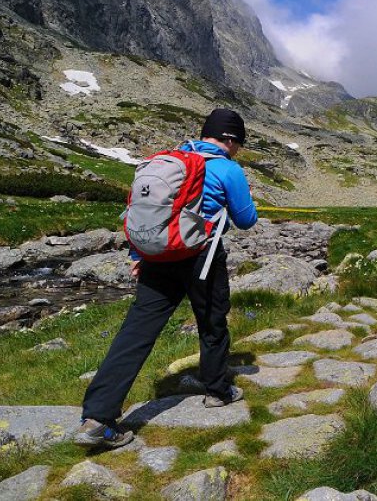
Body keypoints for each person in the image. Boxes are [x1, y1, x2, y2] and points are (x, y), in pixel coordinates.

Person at [75, 108, 258, 449]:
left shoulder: (171, 160)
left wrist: (138, 256)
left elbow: (147, 213)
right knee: (212, 321)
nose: (238, 151)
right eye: (239, 144)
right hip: (201, 255)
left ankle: (97, 417)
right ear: (230, 140)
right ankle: (218, 391)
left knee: (137, 331)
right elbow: (246, 220)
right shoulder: (227, 168)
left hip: (158, 256)